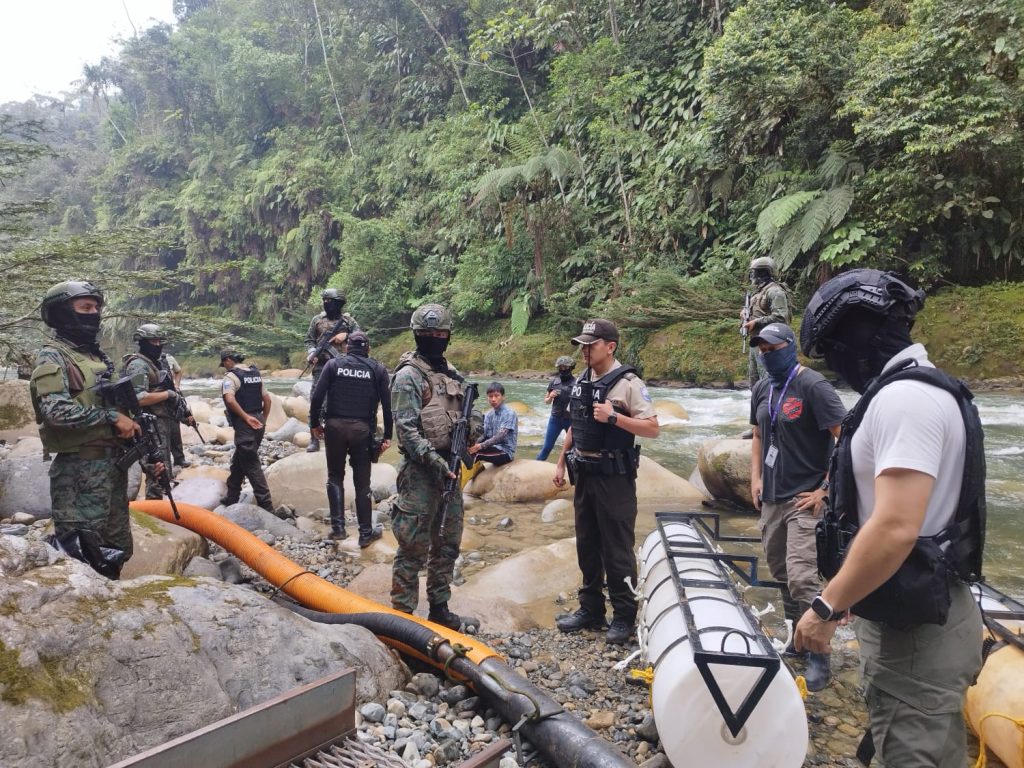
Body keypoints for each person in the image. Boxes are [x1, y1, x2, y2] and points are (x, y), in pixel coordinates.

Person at [795, 269, 985, 767]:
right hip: (919, 610)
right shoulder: (922, 389)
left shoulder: (905, 400)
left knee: (911, 752)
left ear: (854, 342)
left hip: (917, 633)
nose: (836, 368)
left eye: (832, 352)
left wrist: (826, 607)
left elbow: (896, 527)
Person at [748, 322, 845, 691]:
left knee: (803, 577)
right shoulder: (762, 388)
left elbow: (846, 440)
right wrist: (756, 478)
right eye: (762, 350)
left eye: (773, 349)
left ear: (790, 347)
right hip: (772, 497)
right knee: (781, 572)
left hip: (805, 498)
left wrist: (825, 490)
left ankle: (821, 654)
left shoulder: (814, 386)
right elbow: (758, 434)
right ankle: (797, 639)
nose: (767, 355)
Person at [552, 319, 660, 645]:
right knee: (587, 543)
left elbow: (653, 428)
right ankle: (591, 609)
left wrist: (614, 417)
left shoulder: (629, 383)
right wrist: (561, 461)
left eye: (591, 344)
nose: (585, 350)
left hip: (615, 478)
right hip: (584, 473)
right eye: (582, 345)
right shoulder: (583, 380)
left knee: (616, 547)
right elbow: (576, 424)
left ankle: (624, 615)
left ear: (610, 346)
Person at [29, 281, 142, 579]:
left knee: (117, 547)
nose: (94, 314)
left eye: (96, 308)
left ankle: (110, 596)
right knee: (80, 551)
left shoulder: (97, 358)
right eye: (85, 307)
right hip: (79, 472)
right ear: (62, 312)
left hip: (112, 468)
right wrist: (111, 418)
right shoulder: (52, 356)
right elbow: (56, 412)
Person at [390, 303, 479, 630]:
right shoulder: (408, 376)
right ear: (417, 335)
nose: (435, 338)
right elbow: (406, 430)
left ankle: (439, 608)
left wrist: (473, 431)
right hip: (421, 473)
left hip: (451, 470)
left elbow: (471, 410)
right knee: (412, 545)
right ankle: (403, 616)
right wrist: (435, 460)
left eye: (440, 333)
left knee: (447, 543)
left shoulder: (452, 373)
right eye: (428, 333)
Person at [309, 331, 393, 546]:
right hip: (362, 431)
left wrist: (314, 424)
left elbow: (317, 397)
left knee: (335, 477)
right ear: (368, 349)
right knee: (362, 483)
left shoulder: (333, 365)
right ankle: (365, 533)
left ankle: (338, 529)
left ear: (347, 348)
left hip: (334, 428)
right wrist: (387, 436)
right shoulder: (377, 369)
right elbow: (387, 405)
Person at [122, 324, 182, 501]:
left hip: (161, 421)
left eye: (159, 341)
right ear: (142, 342)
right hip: (148, 425)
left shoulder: (156, 362)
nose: (157, 345)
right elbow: (138, 398)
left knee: (164, 469)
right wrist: (168, 394)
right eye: (153, 341)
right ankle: (154, 507)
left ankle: (158, 506)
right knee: (156, 471)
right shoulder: (138, 365)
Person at [303, 288, 360, 453]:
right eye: (325, 301)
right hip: (321, 366)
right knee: (316, 400)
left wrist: (346, 336)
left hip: (343, 367)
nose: (326, 304)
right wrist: (312, 353)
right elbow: (309, 340)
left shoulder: (348, 321)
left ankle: (339, 438)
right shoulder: (317, 320)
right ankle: (314, 439)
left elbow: (361, 338)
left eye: (330, 301)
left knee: (341, 402)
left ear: (339, 303)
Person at [218, 350, 275, 512]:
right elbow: (267, 399)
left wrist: (245, 417)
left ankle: (267, 506)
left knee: (252, 465)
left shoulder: (231, 377)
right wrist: (263, 419)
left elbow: (230, 399)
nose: (225, 367)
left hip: (245, 424)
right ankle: (232, 496)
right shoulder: (255, 374)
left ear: (228, 360)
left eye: (224, 364)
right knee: (239, 460)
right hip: (258, 421)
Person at [742, 256, 792, 387]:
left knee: (768, 382)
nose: (752, 275)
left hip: (770, 345)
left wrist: (756, 322)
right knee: (755, 384)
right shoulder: (759, 292)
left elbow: (781, 317)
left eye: (755, 272)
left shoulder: (775, 291)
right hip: (756, 342)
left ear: (763, 272)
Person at [468, 382, 517, 466]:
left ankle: (463, 473)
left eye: (497, 396)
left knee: (476, 453)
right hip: (493, 447)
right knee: (469, 448)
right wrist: (474, 444)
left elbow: (500, 436)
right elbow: (484, 434)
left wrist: (480, 446)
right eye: (490, 396)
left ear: (503, 397)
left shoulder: (509, 413)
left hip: (505, 451)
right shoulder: (489, 415)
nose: (493, 399)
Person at [536, 356, 575, 461]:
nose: (563, 369)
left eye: (565, 367)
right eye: (560, 367)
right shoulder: (554, 382)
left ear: (571, 367)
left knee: (574, 448)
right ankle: (535, 466)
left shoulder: (577, 383)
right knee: (547, 447)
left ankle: (572, 469)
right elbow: (546, 401)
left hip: (570, 421)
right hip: (555, 420)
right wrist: (550, 396)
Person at [160, 351, 190, 470]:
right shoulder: (142, 361)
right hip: (155, 398)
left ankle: (179, 458)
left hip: (171, 396)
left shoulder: (168, 358)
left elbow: (178, 371)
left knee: (175, 428)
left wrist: (176, 385)